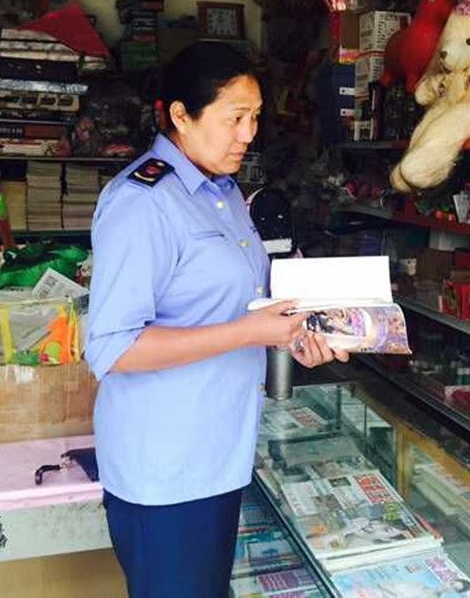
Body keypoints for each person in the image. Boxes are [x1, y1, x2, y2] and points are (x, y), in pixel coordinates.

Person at [86, 41, 349, 597]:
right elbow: (112, 348)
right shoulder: (143, 202)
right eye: (235, 117)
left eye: (255, 117)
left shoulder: (222, 194)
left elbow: (238, 306)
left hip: (219, 456)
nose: (249, 133)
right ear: (181, 115)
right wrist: (250, 333)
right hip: (166, 472)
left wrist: (294, 337)